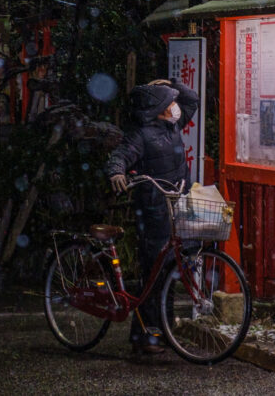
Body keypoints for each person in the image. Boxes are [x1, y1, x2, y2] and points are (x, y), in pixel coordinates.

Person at [105, 78, 200, 355]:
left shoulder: (172, 127)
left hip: (175, 208)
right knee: (153, 274)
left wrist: (173, 83)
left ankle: (164, 329)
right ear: (159, 109)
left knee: (169, 271)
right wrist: (116, 172)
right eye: (170, 103)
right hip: (153, 212)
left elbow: (192, 100)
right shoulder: (142, 135)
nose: (176, 106)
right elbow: (120, 155)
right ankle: (145, 334)